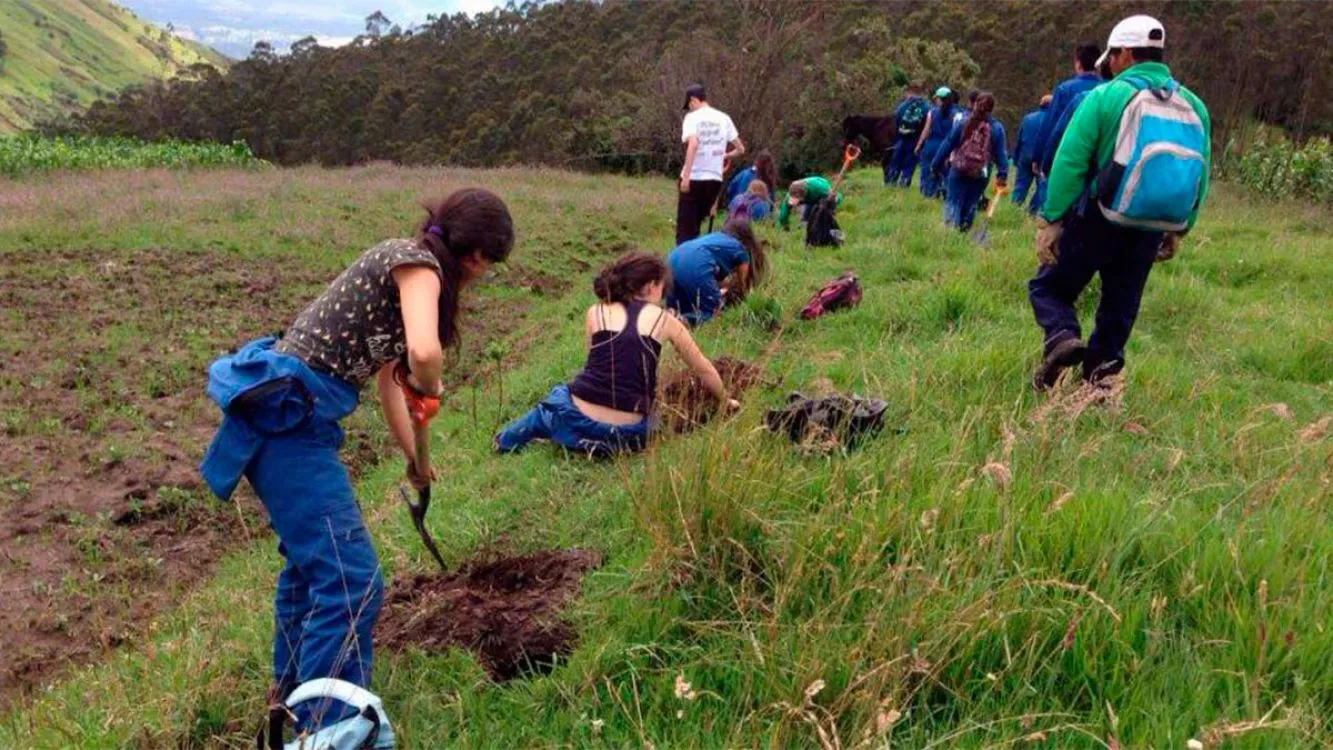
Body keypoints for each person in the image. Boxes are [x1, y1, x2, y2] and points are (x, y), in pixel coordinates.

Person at [199, 189, 514, 728]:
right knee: (352, 580)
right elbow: (422, 357)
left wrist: (414, 456)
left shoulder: (404, 272)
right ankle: (329, 726)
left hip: (296, 423)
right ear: (476, 256)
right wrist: (430, 385)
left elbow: (392, 382)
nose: (484, 275)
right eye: (490, 265)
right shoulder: (416, 265)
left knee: (310, 569)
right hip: (286, 424)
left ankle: (292, 694)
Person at [1029, 15, 1211, 391]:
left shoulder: (1106, 96)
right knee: (1120, 306)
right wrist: (1180, 227)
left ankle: (1062, 339)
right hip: (1150, 227)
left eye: (1112, 55)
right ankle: (1100, 384)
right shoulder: (1194, 105)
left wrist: (1051, 220)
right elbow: (1201, 174)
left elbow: (1070, 162)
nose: (1109, 64)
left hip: (1100, 217)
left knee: (1049, 289)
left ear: (1125, 53)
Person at [494, 253, 738, 455]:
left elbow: (595, 366)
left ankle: (504, 442)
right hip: (629, 436)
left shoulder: (595, 312)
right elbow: (703, 368)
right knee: (656, 418)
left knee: (555, 398)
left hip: (578, 421)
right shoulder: (666, 321)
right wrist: (726, 400)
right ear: (653, 285)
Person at [676, 83, 744, 245]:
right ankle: (695, 257)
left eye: (689, 105)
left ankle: (681, 265)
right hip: (714, 180)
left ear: (693, 100)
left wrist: (686, 178)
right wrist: (724, 155)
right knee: (697, 224)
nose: (690, 109)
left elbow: (693, 144)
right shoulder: (724, 118)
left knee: (685, 230)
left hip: (694, 178)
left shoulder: (692, 117)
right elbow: (740, 149)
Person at [930, 92, 1009, 231]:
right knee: (971, 203)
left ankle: (949, 234)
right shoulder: (997, 128)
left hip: (959, 168)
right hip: (981, 172)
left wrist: (935, 165)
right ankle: (964, 231)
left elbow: (948, 144)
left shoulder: (964, 123)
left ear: (975, 104)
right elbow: (1001, 154)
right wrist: (1002, 174)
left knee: (953, 201)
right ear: (992, 108)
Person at [665, 218, 765, 327]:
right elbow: (743, 286)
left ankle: (668, 315)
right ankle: (681, 321)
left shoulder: (715, 238)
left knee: (680, 306)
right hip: (696, 263)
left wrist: (720, 288)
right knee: (711, 314)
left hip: (672, 259)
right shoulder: (741, 250)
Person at [1035, 42, 1103, 178]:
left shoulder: (1064, 90)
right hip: (1100, 158)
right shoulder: (1108, 89)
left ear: (1078, 64)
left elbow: (1051, 126)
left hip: (1068, 157)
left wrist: (1039, 158)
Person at [1011, 94, 1052, 215]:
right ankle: (1032, 211)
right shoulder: (1052, 121)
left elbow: (1019, 138)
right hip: (1042, 159)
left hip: (1025, 156)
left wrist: (1016, 157)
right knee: (1041, 187)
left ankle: (1014, 208)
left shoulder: (1028, 118)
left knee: (1020, 186)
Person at [915, 87, 956, 199]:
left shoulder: (932, 112)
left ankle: (928, 195)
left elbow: (925, 131)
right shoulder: (955, 115)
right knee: (946, 173)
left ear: (939, 99)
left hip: (931, 146)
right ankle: (945, 195)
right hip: (946, 147)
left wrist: (918, 146)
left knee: (928, 171)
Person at [888, 83, 930, 188]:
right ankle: (904, 184)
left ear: (909, 92)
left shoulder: (902, 106)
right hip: (916, 140)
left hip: (901, 139)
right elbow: (928, 126)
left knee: (896, 163)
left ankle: (891, 184)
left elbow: (896, 121)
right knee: (909, 165)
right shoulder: (926, 107)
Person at [777, 176, 841, 230]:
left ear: (803, 194)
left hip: (819, 195)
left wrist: (830, 207)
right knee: (806, 218)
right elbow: (783, 214)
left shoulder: (819, 187)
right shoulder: (789, 196)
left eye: (798, 199)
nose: (796, 204)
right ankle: (807, 225)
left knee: (823, 210)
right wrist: (785, 227)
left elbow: (836, 197)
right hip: (808, 198)